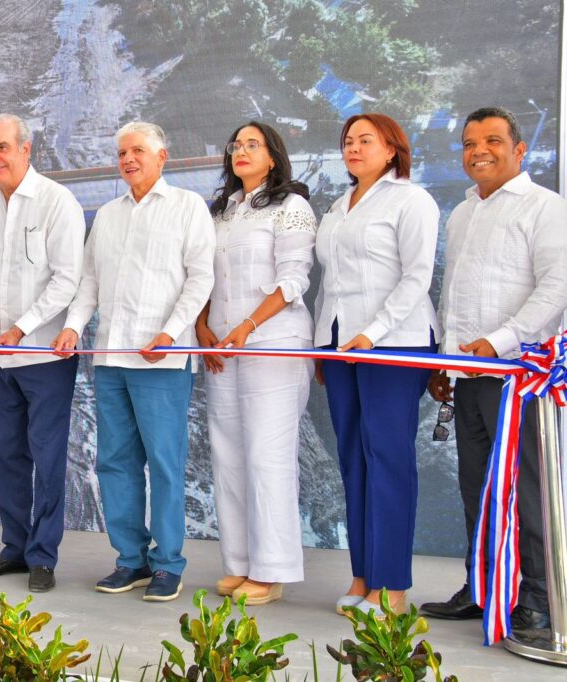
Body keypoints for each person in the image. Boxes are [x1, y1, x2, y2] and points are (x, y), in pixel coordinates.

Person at [53, 121, 214, 602]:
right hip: (110, 357)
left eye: (138, 151)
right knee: (114, 464)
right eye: (122, 152)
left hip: (162, 359)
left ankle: (168, 564)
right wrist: (73, 326)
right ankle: (131, 560)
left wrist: (172, 332)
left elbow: (201, 278)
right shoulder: (107, 215)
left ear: (162, 156)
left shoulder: (187, 207)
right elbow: (89, 282)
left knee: (164, 465)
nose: (128, 159)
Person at [421, 107, 567, 632]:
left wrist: (499, 342)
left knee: (526, 491)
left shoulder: (545, 207)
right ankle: (483, 588)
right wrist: (446, 360)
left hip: (519, 376)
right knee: (478, 488)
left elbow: (557, 288)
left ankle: (539, 600)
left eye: (492, 140)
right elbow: (454, 292)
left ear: (519, 149)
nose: (478, 151)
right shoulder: (462, 213)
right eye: (469, 143)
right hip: (467, 375)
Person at [313, 113, 439, 615]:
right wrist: (324, 343)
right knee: (353, 457)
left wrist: (374, 331)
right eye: (348, 140)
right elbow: (330, 284)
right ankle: (363, 575)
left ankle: (392, 587)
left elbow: (417, 276)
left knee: (387, 457)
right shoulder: (337, 206)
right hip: (340, 346)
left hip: (395, 343)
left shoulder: (412, 199)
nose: (354, 147)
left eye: (366, 140)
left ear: (392, 149)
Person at [195, 122, 316, 605]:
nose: (241, 151)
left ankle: (271, 570)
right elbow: (204, 277)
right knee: (227, 454)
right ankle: (240, 562)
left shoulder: (291, 206)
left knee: (267, 455)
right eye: (236, 145)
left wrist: (248, 325)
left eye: (253, 145)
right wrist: (203, 327)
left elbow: (294, 279)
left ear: (272, 156)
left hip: (274, 343)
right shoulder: (220, 212)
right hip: (222, 347)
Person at [0, 113, 85, 592]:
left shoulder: (57, 201)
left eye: (1, 148)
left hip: (45, 357)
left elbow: (67, 280)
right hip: (0, 358)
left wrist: (21, 328)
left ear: (25, 148)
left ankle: (43, 556)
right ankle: (14, 547)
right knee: (6, 456)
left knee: (48, 458)